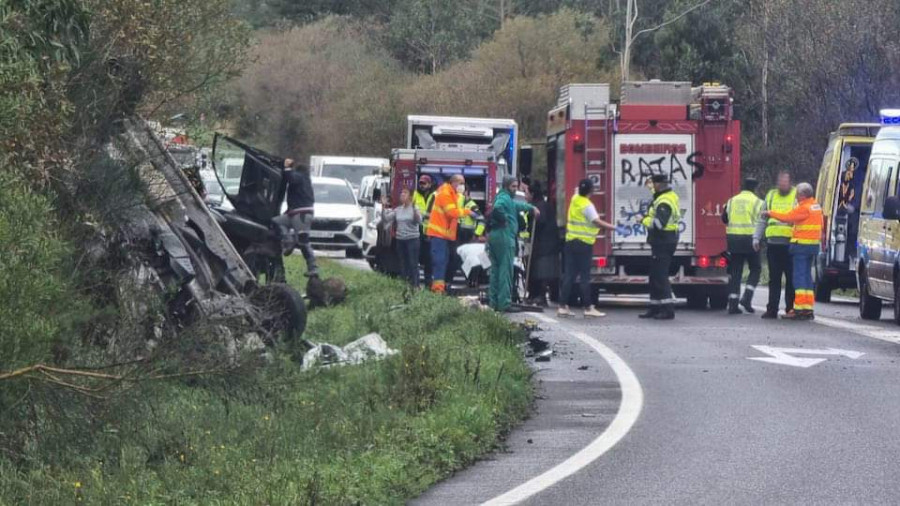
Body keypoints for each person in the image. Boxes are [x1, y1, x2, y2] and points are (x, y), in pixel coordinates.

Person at [762, 182, 823, 321]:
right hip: (812, 247)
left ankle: (799, 309)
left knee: (799, 278)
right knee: (807, 277)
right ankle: (808, 308)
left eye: (797, 194)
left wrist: (769, 212)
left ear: (802, 195)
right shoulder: (816, 206)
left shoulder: (804, 208)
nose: (796, 196)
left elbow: (787, 217)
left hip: (801, 246)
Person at [558, 179, 616, 318]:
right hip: (584, 244)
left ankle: (562, 307)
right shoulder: (587, 205)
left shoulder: (575, 199)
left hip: (571, 241)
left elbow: (578, 190)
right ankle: (588, 307)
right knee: (585, 276)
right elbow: (596, 221)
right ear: (591, 191)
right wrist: (615, 228)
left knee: (569, 275)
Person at [488, 177, 539, 312]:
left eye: (516, 187)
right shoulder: (504, 199)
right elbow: (498, 209)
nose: (515, 190)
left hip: (496, 236)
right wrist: (503, 219)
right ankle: (504, 303)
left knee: (496, 271)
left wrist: (530, 207)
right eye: (513, 187)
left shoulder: (505, 198)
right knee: (506, 271)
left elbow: (517, 205)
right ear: (506, 186)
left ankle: (493, 302)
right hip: (504, 236)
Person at [638, 174, 681, 320]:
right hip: (662, 241)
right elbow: (656, 195)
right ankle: (655, 307)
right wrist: (650, 188)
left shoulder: (664, 201)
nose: (651, 185)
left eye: (653, 183)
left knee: (660, 276)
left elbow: (659, 224)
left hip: (663, 241)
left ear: (658, 184)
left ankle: (668, 310)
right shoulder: (666, 195)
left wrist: (643, 220)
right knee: (654, 275)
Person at [756, 171, 796, 319]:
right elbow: (762, 219)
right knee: (774, 279)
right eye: (780, 182)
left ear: (790, 182)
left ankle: (790, 308)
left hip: (790, 245)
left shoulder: (796, 195)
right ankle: (772, 309)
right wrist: (756, 238)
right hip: (773, 245)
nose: (782, 184)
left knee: (791, 279)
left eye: (785, 182)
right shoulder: (771, 195)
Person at [722, 177, 764, 314]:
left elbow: (724, 218)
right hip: (750, 239)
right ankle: (747, 297)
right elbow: (762, 221)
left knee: (735, 272)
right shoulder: (758, 202)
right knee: (756, 269)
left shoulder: (732, 200)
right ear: (755, 188)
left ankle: (733, 304)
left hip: (733, 239)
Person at [426, 174, 472, 294]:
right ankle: (437, 289)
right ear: (454, 183)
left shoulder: (452, 194)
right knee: (439, 262)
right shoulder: (445, 194)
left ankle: (439, 288)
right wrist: (467, 212)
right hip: (439, 234)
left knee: (444, 261)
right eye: (461, 183)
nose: (462, 186)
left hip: (444, 235)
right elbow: (451, 213)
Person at [273, 158, 318, 277]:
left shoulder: (301, 177)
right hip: (296, 213)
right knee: (277, 222)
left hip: (301, 214)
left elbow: (291, 178)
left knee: (304, 241)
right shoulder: (305, 180)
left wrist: (287, 168)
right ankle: (288, 241)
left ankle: (313, 268)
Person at [526, 181, 560, 307]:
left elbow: (540, 222)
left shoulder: (539, 207)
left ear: (533, 194)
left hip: (544, 245)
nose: (525, 195)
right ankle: (534, 295)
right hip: (547, 244)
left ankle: (540, 296)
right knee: (538, 270)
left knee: (540, 271)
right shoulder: (544, 205)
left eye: (527, 193)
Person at [382, 188, 421, 287]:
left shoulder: (414, 208)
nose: (402, 194)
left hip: (412, 239)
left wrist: (414, 209)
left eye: (405, 193)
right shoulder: (398, 209)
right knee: (403, 263)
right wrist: (383, 206)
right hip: (400, 240)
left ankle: (415, 285)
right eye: (401, 192)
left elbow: (419, 221)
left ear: (410, 197)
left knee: (413, 263)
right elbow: (386, 219)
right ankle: (405, 284)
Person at [414, 175, 435, 286]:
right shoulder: (415, 195)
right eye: (421, 183)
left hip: (430, 232)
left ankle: (428, 282)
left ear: (430, 184)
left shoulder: (434, 196)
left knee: (428, 259)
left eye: (424, 183)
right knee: (416, 257)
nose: (422, 185)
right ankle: (415, 282)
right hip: (417, 230)